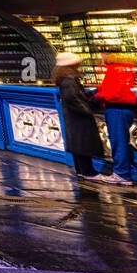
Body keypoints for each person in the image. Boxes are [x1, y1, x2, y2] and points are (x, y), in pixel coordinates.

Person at [93, 54, 137, 187]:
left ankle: (122, 174)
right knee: (123, 143)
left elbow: (113, 92)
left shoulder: (115, 70)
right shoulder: (126, 69)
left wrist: (97, 96)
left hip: (116, 109)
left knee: (119, 143)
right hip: (126, 109)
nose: (101, 57)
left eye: (103, 55)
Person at [52, 52, 111, 182]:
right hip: (78, 116)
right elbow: (72, 98)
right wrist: (88, 110)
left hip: (73, 116)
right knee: (82, 143)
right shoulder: (69, 79)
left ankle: (81, 171)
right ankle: (88, 172)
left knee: (78, 144)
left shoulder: (65, 78)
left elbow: (76, 95)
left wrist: (95, 92)